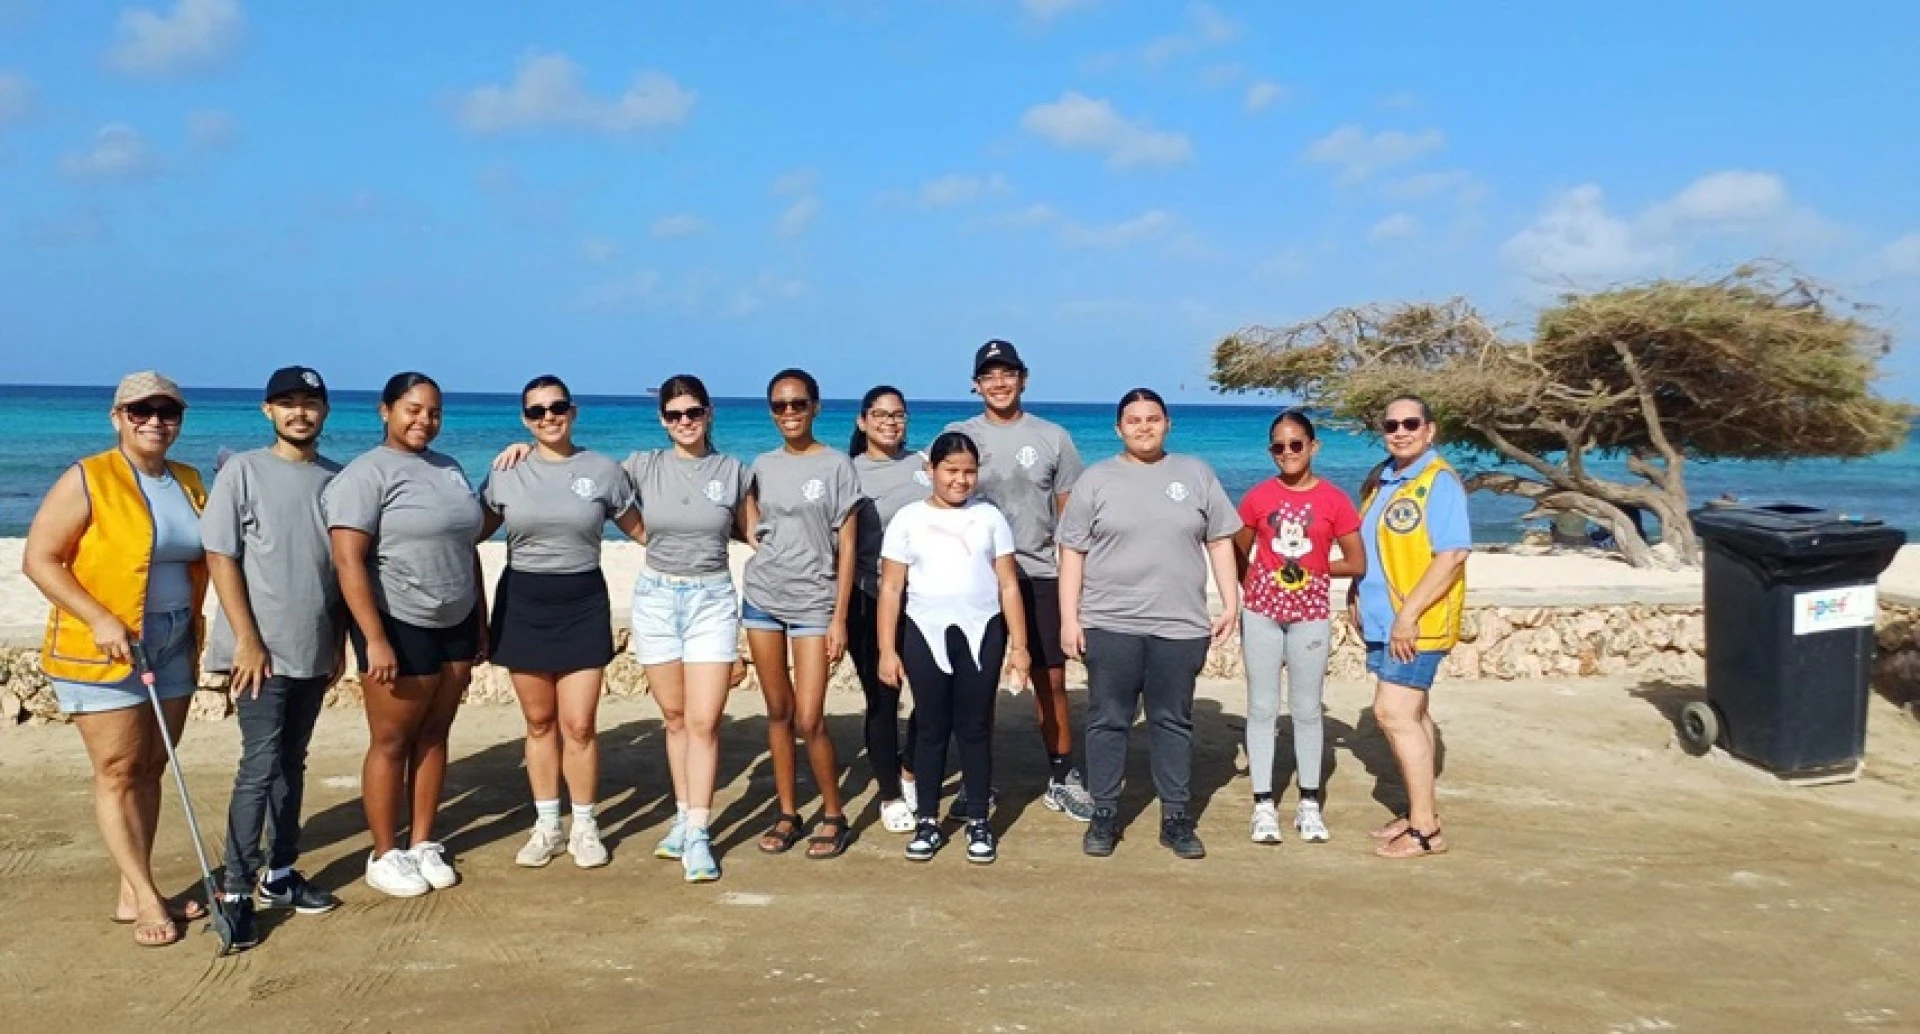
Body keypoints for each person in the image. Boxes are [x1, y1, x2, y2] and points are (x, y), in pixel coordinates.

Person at [23, 371, 210, 948]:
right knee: (118, 770)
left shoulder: (188, 480)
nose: (155, 421)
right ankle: (145, 895)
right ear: (117, 416)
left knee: (152, 766)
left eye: (167, 412)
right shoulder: (88, 477)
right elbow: (40, 559)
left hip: (176, 638)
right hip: (102, 642)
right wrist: (100, 617)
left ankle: (136, 887)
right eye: (140, 411)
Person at [1059, 388, 1241, 860]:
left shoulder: (1196, 474)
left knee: (1172, 720)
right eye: (1134, 420)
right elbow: (1072, 551)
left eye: (1153, 418)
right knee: (1107, 719)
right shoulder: (1096, 479)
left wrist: (1230, 601)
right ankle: (1104, 813)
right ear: (1118, 428)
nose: (1144, 427)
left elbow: (1220, 539)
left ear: (1167, 424)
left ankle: (1176, 817)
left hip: (1179, 624)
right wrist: (1068, 618)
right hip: (1109, 621)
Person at [326, 372, 487, 897]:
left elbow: (467, 547)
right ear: (386, 410)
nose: (424, 421)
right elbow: (348, 561)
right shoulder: (364, 474)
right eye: (413, 409)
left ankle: (422, 842)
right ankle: (384, 853)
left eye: (434, 412)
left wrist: (480, 618)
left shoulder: (450, 469)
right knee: (392, 741)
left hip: (457, 619)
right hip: (399, 620)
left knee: (436, 734)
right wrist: (373, 638)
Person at [202, 367, 345, 946]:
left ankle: (280, 875)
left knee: (294, 763)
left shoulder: (337, 479)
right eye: (287, 403)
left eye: (309, 403)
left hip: (313, 648)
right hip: (257, 652)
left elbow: (338, 569)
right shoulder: (243, 470)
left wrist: (336, 641)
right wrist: (248, 639)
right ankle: (237, 889)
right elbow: (221, 555)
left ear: (325, 410)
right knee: (258, 767)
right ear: (267, 411)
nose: (299, 413)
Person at [479, 376, 643, 872]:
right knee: (539, 722)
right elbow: (464, 529)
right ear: (525, 419)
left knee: (580, 725)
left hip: (583, 600)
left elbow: (646, 533)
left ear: (573, 411)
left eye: (557, 407)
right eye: (536, 411)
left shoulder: (603, 470)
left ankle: (586, 825)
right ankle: (548, 825)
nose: (548, 417)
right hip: (524, 601)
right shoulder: (506, 471)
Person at [946, 339, 1093, 821]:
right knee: (977, 683)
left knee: (1050, 679)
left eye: (1008, 374)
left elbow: (1072, 519)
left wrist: (1079, 582)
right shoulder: (958, 435)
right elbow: (940, 502)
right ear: (976, 384)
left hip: (1038, 575)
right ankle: (977, 780)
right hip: (976, 582)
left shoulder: (1053, 438)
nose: (999, 383)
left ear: (1023, 379)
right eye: (989, 375)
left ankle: (1061, 775)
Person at [875, 432, 1028, 864]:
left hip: (982, 633)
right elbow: (890, 588)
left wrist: (1020, 647)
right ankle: (927, 821)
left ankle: (978, 819)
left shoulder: (990, 518)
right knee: (929, 728)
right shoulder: (907, 519)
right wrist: (888, 649)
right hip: (925, 633)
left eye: (969, 472)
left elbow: (1008, 584)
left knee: (976, 727)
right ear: (931, 472)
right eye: (951, 471)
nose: (961, 480)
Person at [741, 368, 860, 860]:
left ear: (815, 406)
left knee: (810, 717)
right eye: (779, 406)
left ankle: (834, 814)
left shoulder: (836, 466)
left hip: (815, 601)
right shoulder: (762, 465)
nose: (788, 413)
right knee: (777, 710)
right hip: (763, 597)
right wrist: (752, 534)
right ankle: (788, 812)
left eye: (797, 403)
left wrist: (840, 618)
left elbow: (847, 547)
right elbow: (745, 503)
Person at [1233, 409, 1363, 845]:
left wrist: (1316, 569)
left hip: (1310, 615)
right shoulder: (1256, 498)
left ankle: (1309, 802)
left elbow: (1357, 560)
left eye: (1295, 444)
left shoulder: (1335, 501)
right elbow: (1239, 550)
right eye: (1278, 447)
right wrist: (1252, 584)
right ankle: (1263, 804)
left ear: (1313, 446)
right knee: (1262, 707)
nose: (1287, 453)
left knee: (1307, 709)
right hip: (1262, 613)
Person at [1349, 394, 1470, 860]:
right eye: (1391, 424)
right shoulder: (1384, 480)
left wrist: (1408, 614)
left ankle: (1425, 830)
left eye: (1410, 423)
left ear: (1430, 429)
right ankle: (1419, 810)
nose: (1400, 431)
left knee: (1392, 713)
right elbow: (1375, 549)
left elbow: (1452, 554)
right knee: (1415, 715)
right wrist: (1357, 593)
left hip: (1416, 623)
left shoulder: (1438, 482)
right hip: (1384, 620)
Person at [847, 385, 930, 834]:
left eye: (898, 415)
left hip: (924, 602)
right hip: (871, 598)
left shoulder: (923, 465)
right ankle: (890, 795)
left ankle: (911, 770)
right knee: (883, 699)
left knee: (933, 696)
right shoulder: (849, 472)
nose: (890, 422)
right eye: (880, 415)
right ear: (863, 421)